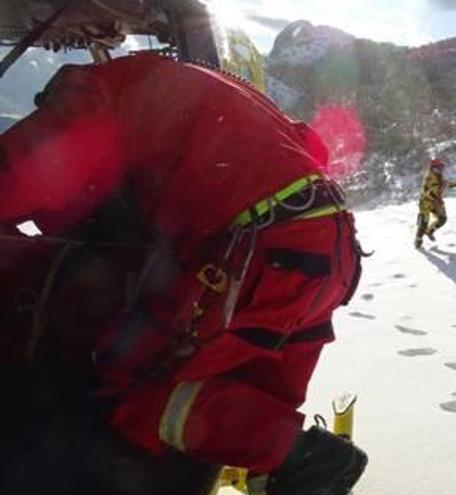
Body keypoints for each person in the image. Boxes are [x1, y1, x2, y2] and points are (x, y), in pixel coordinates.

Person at [0, 52, 367, 495]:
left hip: (258, 256)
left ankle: (303, 457)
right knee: (256, 402)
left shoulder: (92, 92)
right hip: (328, 254)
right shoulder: (191, 85)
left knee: (131, 385)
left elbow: (24, 164)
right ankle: (281, 470)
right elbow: (309, 145)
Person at [414, 158, 456, 249]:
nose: (441, 170)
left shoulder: (439, 177)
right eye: (439, 168)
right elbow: (426, 191)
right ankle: (418, 239)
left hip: (436, 202)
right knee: (424, 222)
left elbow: (446, 183)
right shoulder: (429, 177)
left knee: (442, 219)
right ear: (433, 168)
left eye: (442, 168)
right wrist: (435, 197)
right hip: (426, 202)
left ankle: (429, 231)